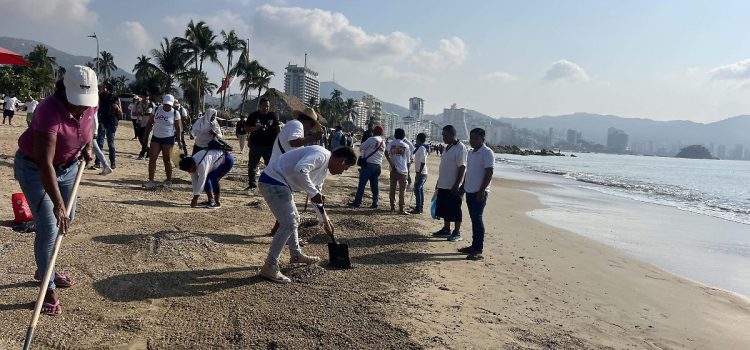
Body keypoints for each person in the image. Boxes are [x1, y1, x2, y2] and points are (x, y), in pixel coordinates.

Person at [14, 65, 98, 316]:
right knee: (50, 225)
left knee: (67, 219)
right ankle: (47, 289)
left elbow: (90, 126)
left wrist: (88, 146)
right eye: (77, 103)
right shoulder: (48, 111)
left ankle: (45, 267)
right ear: (64, 91)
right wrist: (57, 203)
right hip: (35, 169)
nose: (82, 108)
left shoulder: (91, 103)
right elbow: (44, 163)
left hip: (70, 167)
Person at [258, 146, 357, 283]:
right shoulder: (321, 155)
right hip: (273, 181)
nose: (342, 172)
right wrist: (314, 193)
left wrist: (325, 220)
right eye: (345, 169)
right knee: (289, 223)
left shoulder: (322, 172)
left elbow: (316, 197)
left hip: (282, 185)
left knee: (294, 220)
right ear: (342, 161)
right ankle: (270, 265)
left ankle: (296, 255)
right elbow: (301, 169)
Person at [458, 128, 495, 260]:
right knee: (474, 219)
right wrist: (463, 186)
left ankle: (478, 249)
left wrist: (481, 191)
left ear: (482, 139)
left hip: (480, 192)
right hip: (469, 190)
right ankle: (473, 246)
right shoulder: (472, 153)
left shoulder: (487, 153)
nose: (472, 140)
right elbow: (469, 171)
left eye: (475, 138)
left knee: (477, 219)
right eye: (471, 137)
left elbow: (489, 172)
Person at [432, 125, 467, 242]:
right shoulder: (447, 147)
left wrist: (457, 184)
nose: (443, 137)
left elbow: (462, 167)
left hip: (453, 185)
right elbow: (444, 166)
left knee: (456, 209)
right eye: (442, 135)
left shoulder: (460, 147)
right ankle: (446, 229)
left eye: (445, 135)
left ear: (452, 135)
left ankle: (457, 232)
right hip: (443, 184)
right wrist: (438, 182)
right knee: (444, 208)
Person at [143, 94, 182, 189]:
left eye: (169, 105)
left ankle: (168, 180)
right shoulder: (156, 109)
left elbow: (178, 128)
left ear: (172, 104)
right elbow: (149, 123)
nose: (167, 106)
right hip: (156, 137)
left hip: (168, 139)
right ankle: (151, 180)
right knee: (152, 159)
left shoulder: (175, 113)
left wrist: (180, 141)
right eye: (165, 104)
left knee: (167, 160)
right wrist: (145, 135)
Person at [245, 97, 279, 190]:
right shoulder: (253, 115)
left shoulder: (272, 115)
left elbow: (277, 128)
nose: (266, 108)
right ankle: (252, 185)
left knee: (271, 165)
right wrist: (255, 128)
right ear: (259, 106)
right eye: (264, 106)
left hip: (270, 146)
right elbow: (246, 128)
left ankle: (271, 183)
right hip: (256, 145)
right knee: (252, 166)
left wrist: (278, 140)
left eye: (267, 106)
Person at [348, 125, 385, 208]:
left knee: (362, 184)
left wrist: (364, 154)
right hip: (378, 165)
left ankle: (357, 202)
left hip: (368, 164)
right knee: (375, 186)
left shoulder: (371, 139)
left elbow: (361, 147)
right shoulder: (383, 142)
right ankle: (375, 202)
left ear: (374, 132)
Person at [95, 82, 122, 169]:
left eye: (103, 87)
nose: (101, 88)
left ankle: (112, 162)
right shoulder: (100, 96)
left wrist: (117, 108)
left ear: (107, 88)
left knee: (111, 143)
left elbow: (118, 109)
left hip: (111, 121)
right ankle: (97, 162)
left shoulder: (114, 97)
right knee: (99, 142)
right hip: (102, 120)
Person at [385, 128, 411, 215]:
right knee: (402, 191)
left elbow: (386, 152)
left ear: (395, 135)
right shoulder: (406, 146)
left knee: (392, 189)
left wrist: (391, 164)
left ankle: (392, 207)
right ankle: (401, 209)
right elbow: (408, 161)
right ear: (404, 136)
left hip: (393, 170)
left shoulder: (391, 143)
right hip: (403, 171)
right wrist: (409, 173)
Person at [411, 133, 429, 214]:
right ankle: (419, 207)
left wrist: (419, 172)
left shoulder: (422, 148)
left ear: (419, 139)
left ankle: (418, 208)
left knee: (417, 189)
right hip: (420, 172)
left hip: (422, 173)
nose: (416, 141)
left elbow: (423, 162)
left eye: (416, 139)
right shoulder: (420, 148)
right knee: (419, 190)